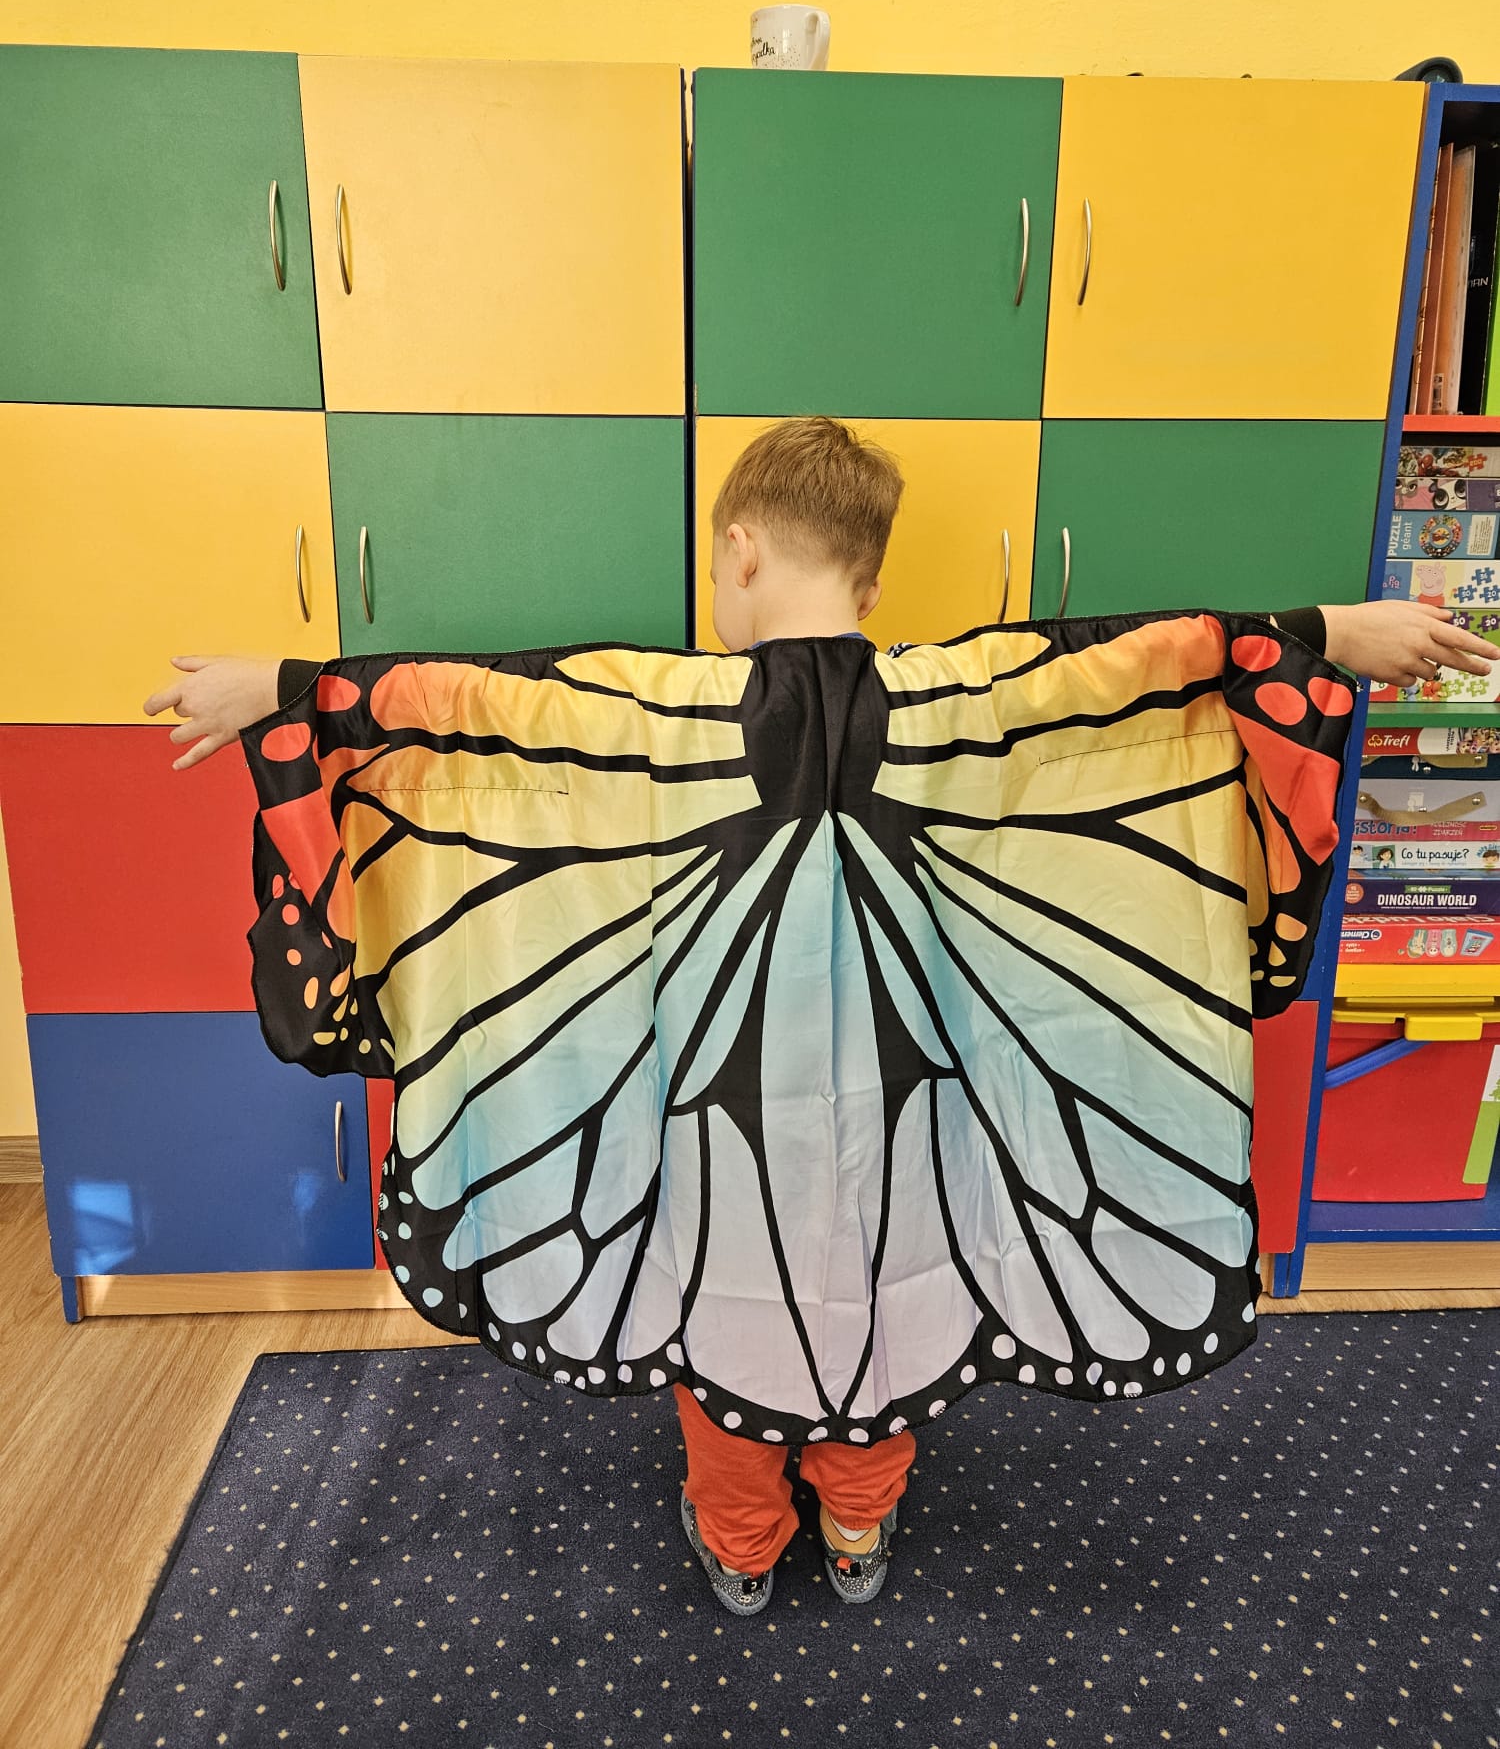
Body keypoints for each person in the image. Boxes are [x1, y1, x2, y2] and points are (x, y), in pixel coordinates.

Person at [144, 418, 1500, 1614]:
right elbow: (1160, 664)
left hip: (709, 1121)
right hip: (917, 1122)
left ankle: (741, 1548)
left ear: (739, 551)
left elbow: (464, 711)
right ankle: (857, 1531)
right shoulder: (967, 700)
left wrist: (280, 690)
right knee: (893, 1306)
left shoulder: (660, 713)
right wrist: (1337, 632)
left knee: (715, 1314)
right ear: (872, 576)